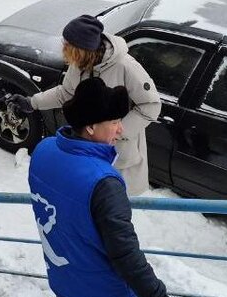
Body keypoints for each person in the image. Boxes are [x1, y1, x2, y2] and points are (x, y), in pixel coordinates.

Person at [29, 77, 184, 297]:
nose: (120, 129)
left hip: (63, 273)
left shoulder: (43, 151)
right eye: (113, 122)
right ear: (88, 127)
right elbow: (125, 254)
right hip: (104, 290)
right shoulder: (103, 182)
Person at [10, 15, 160, 195]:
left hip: (117, 157)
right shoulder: (80, 64)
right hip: (86, 150)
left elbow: (151, 106)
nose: (63, 49)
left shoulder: (125, 66)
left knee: (110, 205)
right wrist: (32, 102)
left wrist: (117, 131)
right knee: (85, 200)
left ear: (82, 49)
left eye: (68, 46)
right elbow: (66, 92)